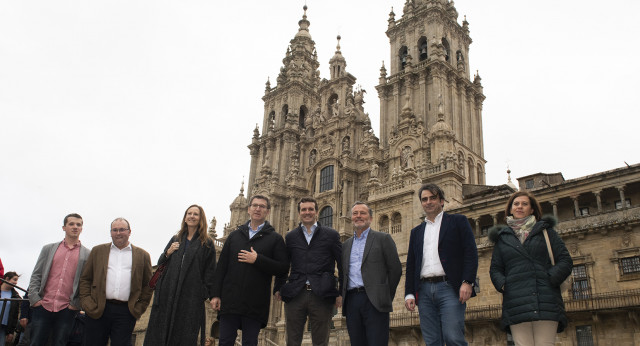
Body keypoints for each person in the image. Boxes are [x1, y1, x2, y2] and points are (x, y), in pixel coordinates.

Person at [489, 191, 573, 346]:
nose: (519, 207)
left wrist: (549, 279)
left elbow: (565, 260)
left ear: (532, 209)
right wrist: (505, 284)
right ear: (510, 209)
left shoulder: (547, 232)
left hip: (545, 299)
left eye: (524, 204)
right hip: (516, 301)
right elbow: (495, 269)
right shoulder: (502, 238)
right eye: (516, 204)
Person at [404, 183, 479, 346]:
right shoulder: (416, 231)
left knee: (453, 337)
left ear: (442, 201)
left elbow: (471, 253)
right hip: (423, 291)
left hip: (449, 287)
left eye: (432, 198)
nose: (428, 202)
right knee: (432, 340)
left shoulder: (458, 221)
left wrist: (467, 282)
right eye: (424, 199)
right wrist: (409, 293)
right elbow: (411, 264)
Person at [211, 195, 288, 346]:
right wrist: (215, 295)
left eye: (262, 206)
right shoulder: (234, 236)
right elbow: (221, 268)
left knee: (250, 342)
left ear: (268, 211)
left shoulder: (275, 238)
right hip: (230, 300)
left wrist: (258, 259)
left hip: (255, 302)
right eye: (255, 205)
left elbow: (283, 268)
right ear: (248, 209)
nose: (258, 209)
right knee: (225, 341)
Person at [143, 205, 217, 346]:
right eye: (189, 213)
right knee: (160, 334)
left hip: (190, 298)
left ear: (201, 219)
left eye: (195, 214)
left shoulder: (207, 243)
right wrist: (168, 253)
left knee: (183, 335)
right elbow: (161, 263)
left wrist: (202, 293)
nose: (192, 216)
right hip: (168, 294)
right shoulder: (176, 239)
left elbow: (210, 273)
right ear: (185, 217)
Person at [274, 197, 342, 346]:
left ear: (316, 212)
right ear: (299, 213)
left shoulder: (331, 235)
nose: (307, 212)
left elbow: (342, 265)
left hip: (322, 294)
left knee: (320, 341)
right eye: (304, 209)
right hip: (296, 294)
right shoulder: (291, 236)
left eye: (311, 209)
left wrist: (341, 292)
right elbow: (285, 265)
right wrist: (279, 287)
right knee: (292, 340)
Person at [79, 217, 153, 346]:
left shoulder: (142, 255)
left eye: (122, 230)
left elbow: (148, 285)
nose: (118, 233)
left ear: (129, 232)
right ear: (111, 232)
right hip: (98, 309)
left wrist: (138, 308)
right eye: (115, 230)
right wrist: (87, 302)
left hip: (126, 312)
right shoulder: (98, 251)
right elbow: (86, 279)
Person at [341, 201, 402, 346]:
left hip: (375, 301)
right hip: (352, 301)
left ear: (371, 218)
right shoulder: (345, 245)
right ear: (351, 218)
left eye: (362, 213)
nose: (358, 216)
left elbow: (395, 269)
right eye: (355, 213)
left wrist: (384, 295)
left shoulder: (383, 238)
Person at [28, 213, 90, 346]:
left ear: (82, 228)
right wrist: (35, 299)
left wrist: (76, 304)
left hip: (67, 309)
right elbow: (36, 275)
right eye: (71, 224)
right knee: (35, 342)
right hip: (43, 305)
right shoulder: (48, 249)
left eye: (79, 225)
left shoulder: (87, 254)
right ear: (64, 227)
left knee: (60, 343)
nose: (75, 227)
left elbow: (86, 282)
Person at [1, 272, 21, 346]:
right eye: (14, 280)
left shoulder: (15, 296)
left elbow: (15, 316)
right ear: (7, 279)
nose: (16, 283)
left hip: (3, 327)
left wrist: (11, 332)